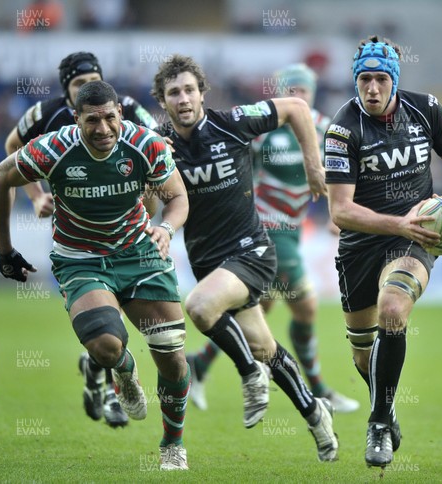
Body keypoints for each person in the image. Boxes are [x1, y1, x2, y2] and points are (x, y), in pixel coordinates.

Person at [0, 80, 191, 470]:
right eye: (92, 121)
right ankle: (124, 371)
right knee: (105, 347)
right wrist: (5, 250)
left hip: (139, 255)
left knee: (171, 356)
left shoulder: (144, 143)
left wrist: (166, 229)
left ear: (120, 113)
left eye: (109, 118)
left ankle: (172, 446)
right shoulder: (54, 147)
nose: (102, 128)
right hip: (80, 258)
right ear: (77, 119)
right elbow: (2, 176)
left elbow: (178, 196)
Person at [151, 54, 338, 462]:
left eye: (188, 90)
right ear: (163, 101)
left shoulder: (232, 122)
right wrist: (153, 173)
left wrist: (312, 165)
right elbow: (152, 203)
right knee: (266, 347)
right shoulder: (158, 145)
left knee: (199, 307)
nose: (183, 99)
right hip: (209, 263)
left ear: (202, 93)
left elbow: (296, 108)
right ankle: (314, 412)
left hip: (251, 252)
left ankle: (250, 375)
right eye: (173, 93)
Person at [325, 36, 442, 468]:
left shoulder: (426, 109)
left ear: (395, 80)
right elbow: (341, 211)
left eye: (381, 79)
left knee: (393, 309)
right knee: (361, 353)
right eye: (365, 79)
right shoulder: (342, 128)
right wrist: (397, 222)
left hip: (413, 239)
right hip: (360, 243)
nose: (372, 88)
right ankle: (387, 407)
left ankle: (376, 424)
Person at [184, 63, 359, 415]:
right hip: (267, 230)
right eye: (290, 91)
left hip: (294, 231)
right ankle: (319, 390)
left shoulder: (326, 128)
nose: (298, 97)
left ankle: (198, 367)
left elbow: (345, 168)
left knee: (258, 309)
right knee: (306, 305)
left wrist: (341, 211)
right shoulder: (263, 135)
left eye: (304, 90)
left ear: (312, 93)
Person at [4, 51, 159, 428]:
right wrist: (36, 195)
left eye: (92, 79)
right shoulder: (45, 116)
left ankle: (102, 378)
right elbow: (11, 150)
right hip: (73, 234)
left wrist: (143, 208)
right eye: (76, 84)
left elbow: (157, 150)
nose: (85, 88)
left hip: (122, 230)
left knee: (110, 320)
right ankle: (108, 383)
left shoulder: (128, 109)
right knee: (104, 316)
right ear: (66, 92)